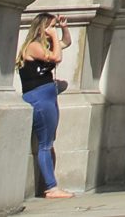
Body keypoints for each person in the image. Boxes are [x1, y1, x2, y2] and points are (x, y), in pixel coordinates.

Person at [17, 13, 74, 199]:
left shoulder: (45, 45)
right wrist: (53, 36)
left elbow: (66, 43)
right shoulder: (33, 46)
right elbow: (57, 58)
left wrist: (64, 28)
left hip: (48, 98)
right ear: (42, 27)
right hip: (40, 99)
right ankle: (51, 188)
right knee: (45, 144)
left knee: (48, 143)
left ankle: (50, 184)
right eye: (51, 26)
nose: (53, 30)